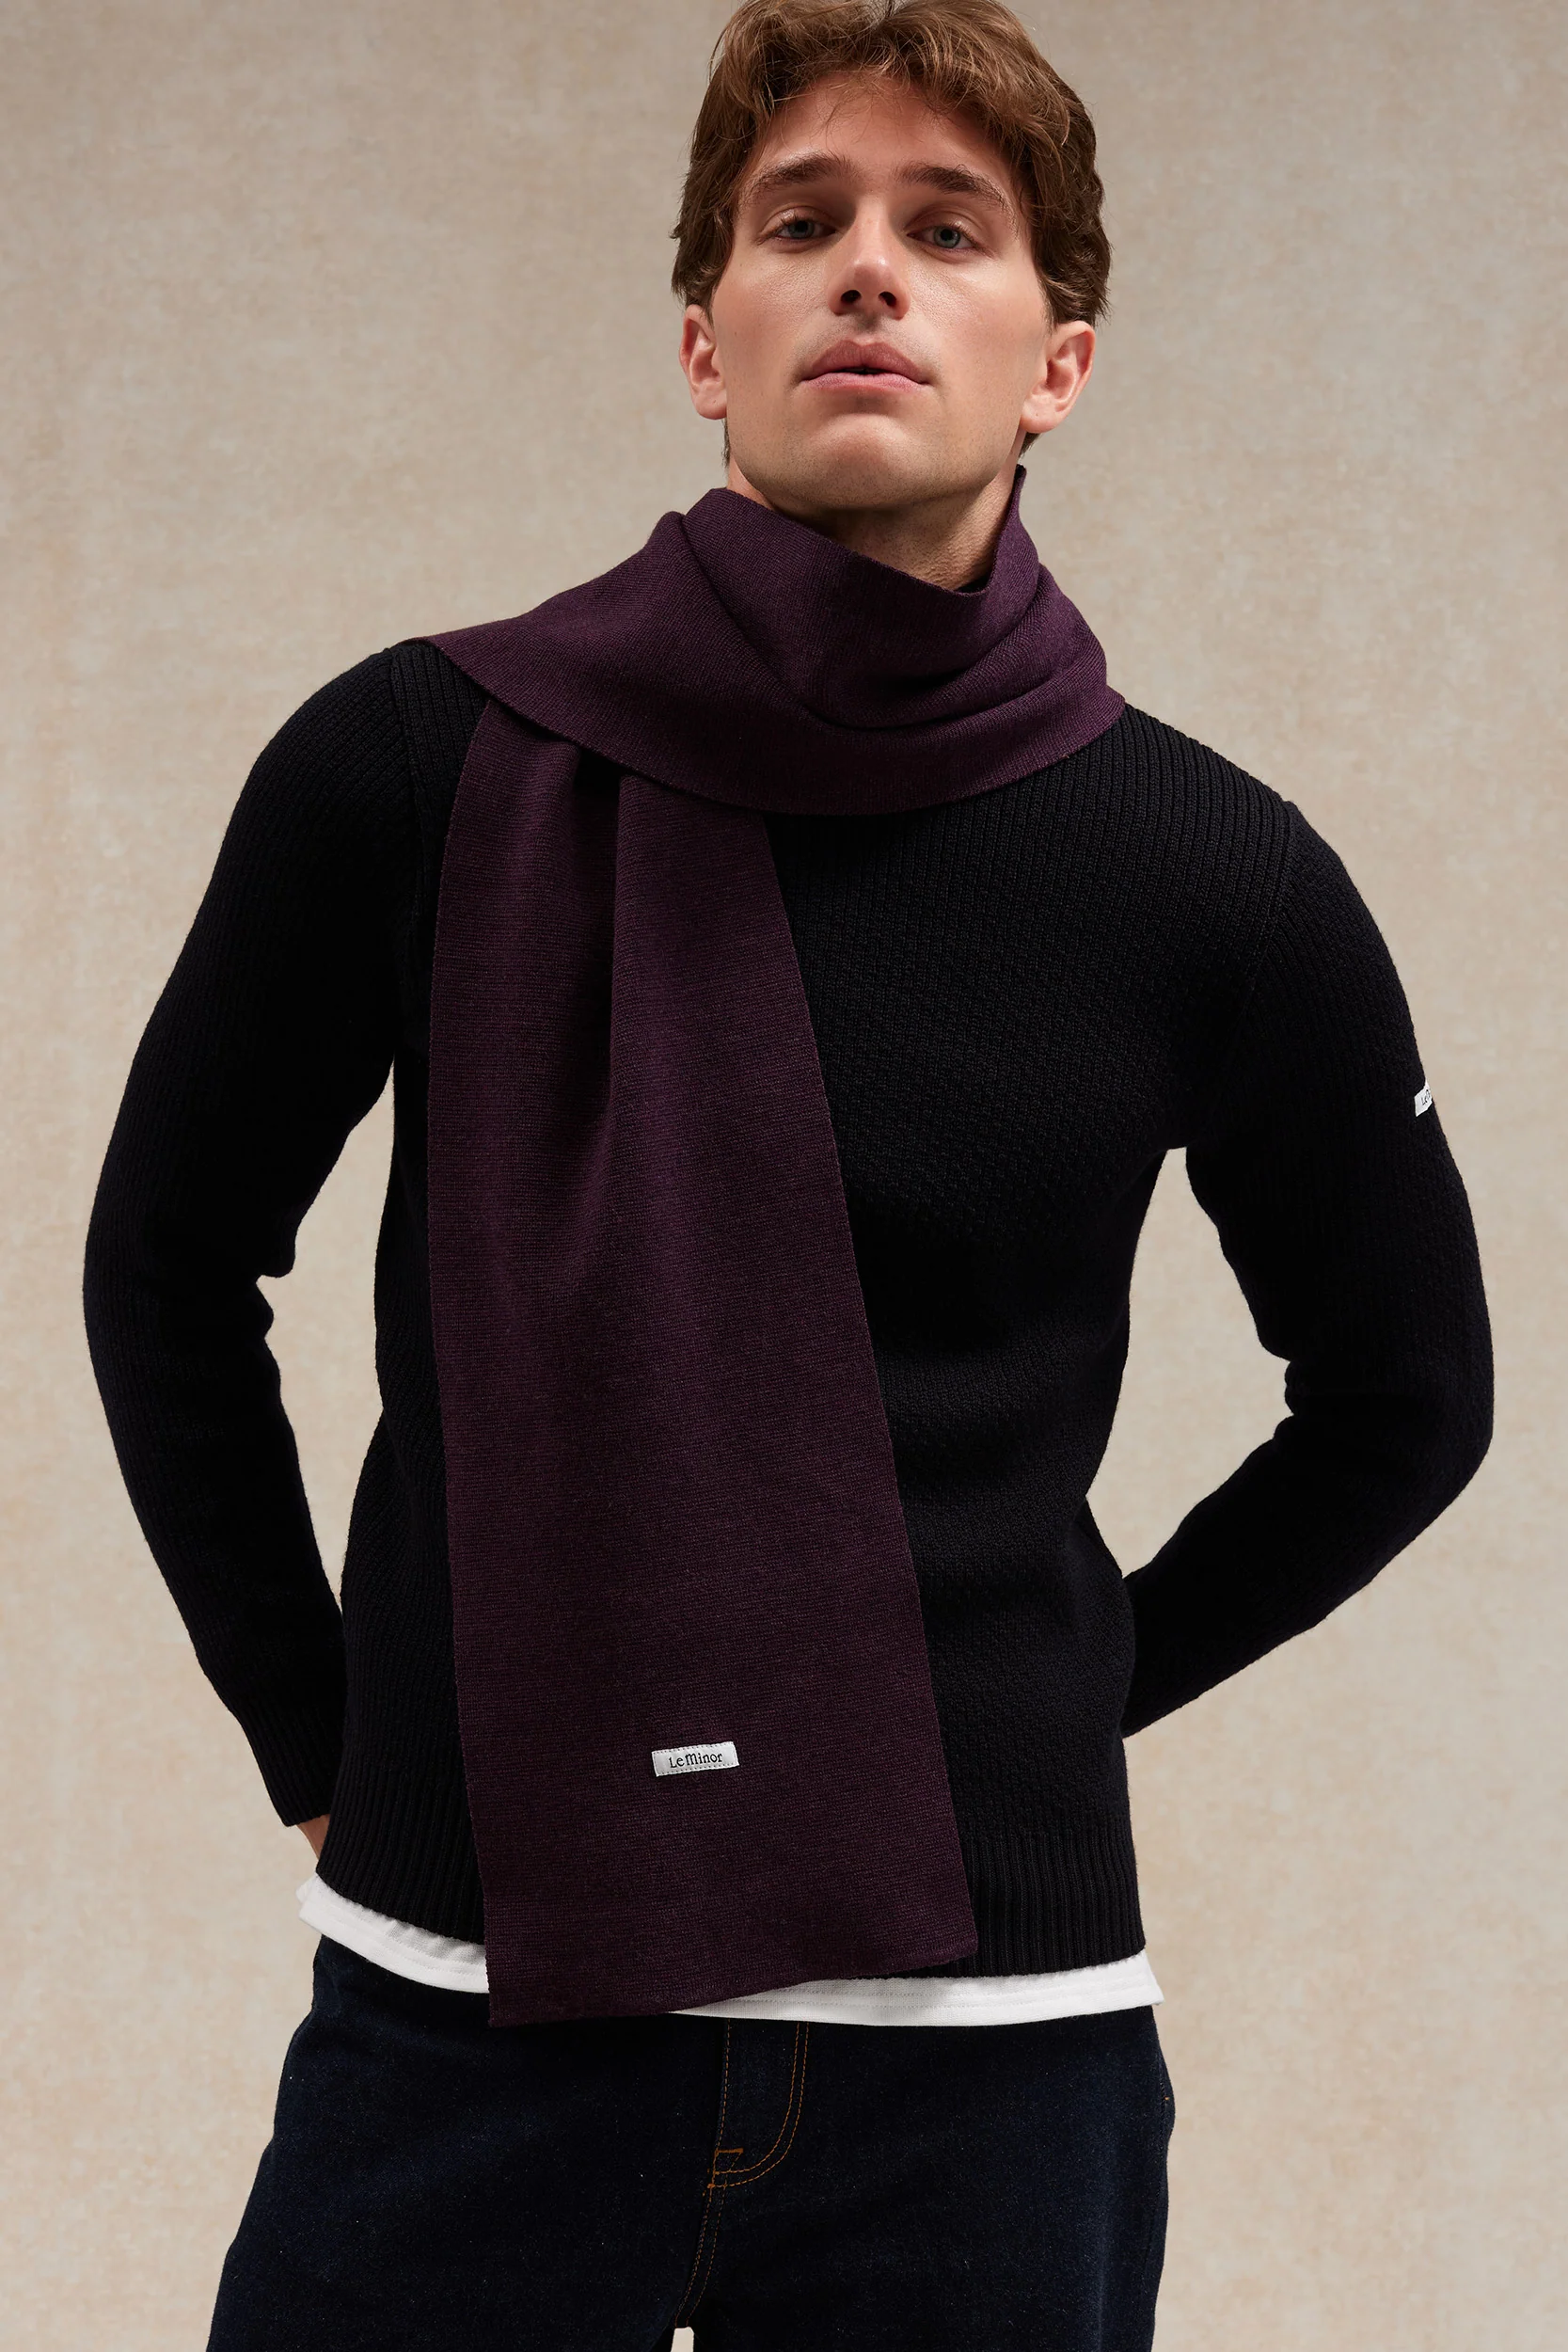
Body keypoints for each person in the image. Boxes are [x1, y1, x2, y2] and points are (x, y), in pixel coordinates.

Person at [83, 2, 1493, 2345]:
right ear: (699, 342)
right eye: (799, 221)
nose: (867, 271)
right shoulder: (409, 763)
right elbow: (165, 1259)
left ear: (1054, 364)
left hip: (990, 2064)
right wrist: (313, 1729)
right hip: (470, 2009)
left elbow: (1404, 1397)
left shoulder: (1209, 876)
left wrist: (1063, 1684)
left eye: (947, 230)